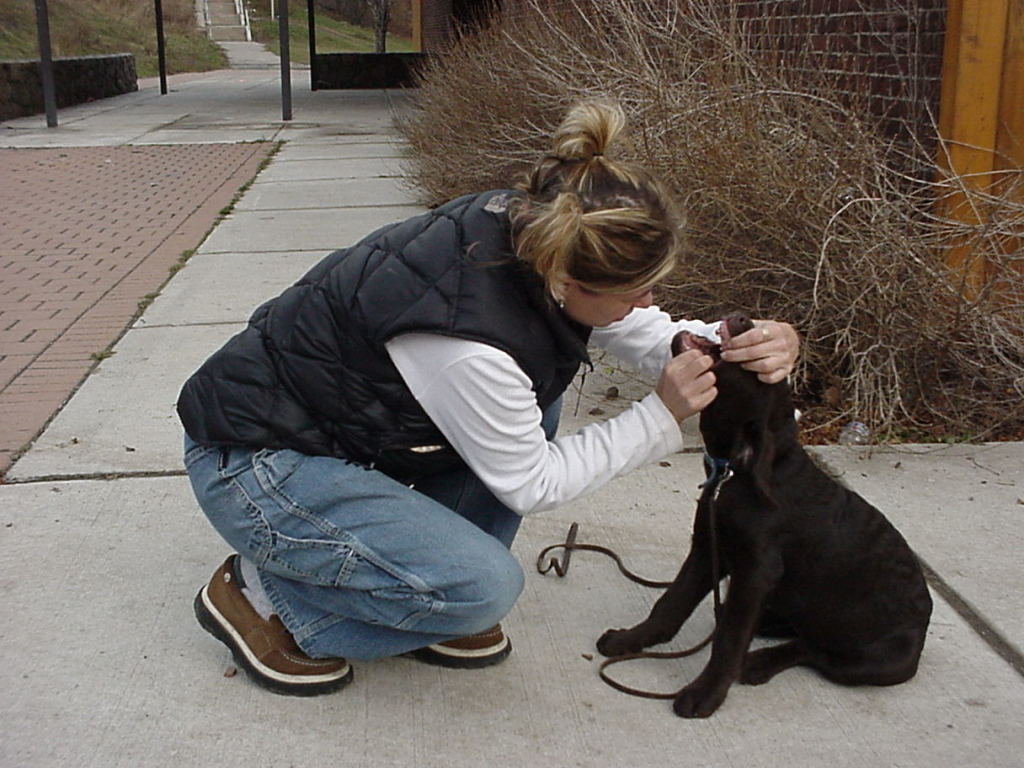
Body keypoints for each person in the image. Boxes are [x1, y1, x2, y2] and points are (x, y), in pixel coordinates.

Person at [177, 101, 800, 696]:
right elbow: (533, 484)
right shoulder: (469, 341)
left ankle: (421, 589)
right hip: (256, 466)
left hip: (337, 436)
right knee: (481, 590)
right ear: (564, 276)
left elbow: (627, 323)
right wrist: (660, 414)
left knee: (536, 402)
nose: (646, 302)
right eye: (636, 289)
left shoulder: (537, 227)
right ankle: (265, 598)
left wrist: (727, 343)